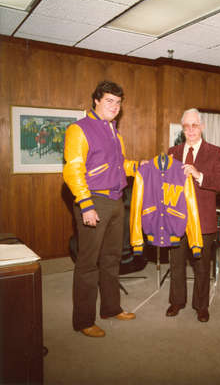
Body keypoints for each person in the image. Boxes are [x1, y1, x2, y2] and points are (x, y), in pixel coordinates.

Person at [63, 80, 139, 338]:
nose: (115, 107)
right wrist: (86, 205)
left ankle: (111, 308)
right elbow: (73, 170)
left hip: (117, 201)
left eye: (118, 103)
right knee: (88, 264)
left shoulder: (115, 132)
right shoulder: (78, 129)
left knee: (111, 259)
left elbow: (117, 165)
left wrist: (141, 167)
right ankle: (84, 321)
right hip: (93, 202)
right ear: (96, 100)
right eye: (109, 101)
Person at [166, 108, 220, 322]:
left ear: (202, 127)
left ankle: (201, 306)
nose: (190, 130)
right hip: (176, 218)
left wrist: (199, 175)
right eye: (186, 126)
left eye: (194, 125)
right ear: (182, 129)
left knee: (202, 265)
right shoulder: (172, 152)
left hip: (203, 220)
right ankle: (176, 302)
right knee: (176, 263)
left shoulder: (215, 152)